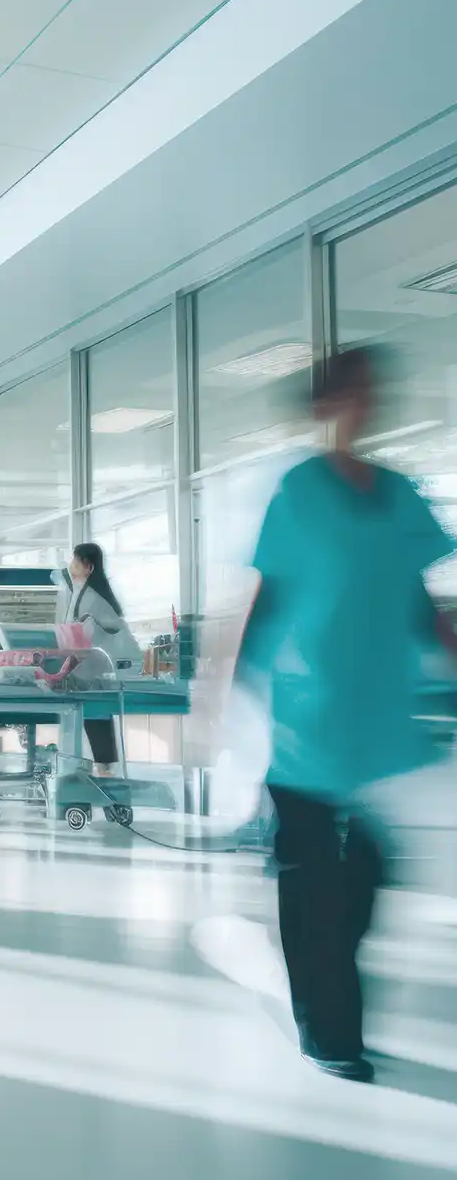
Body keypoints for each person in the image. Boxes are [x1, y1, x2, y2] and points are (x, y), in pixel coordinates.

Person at [235, 346, 456, 1082]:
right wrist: (229, 698)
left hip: (375, 721)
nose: (369, 402)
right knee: (316, 882)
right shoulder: (297, 491)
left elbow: (421, 600)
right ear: (325, 404)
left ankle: (324, 1006)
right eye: (355, 391)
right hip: (302, 720)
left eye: (374, 391)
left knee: (366, 873)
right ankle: (328, 1033)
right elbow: (264, 597)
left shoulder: (398, 493)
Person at [54, 543, 142, 773]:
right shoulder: (84, 594)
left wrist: (62, 668)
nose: (71, 566)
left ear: (89, 567)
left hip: (104, 669)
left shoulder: (92, 600)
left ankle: (102, 769)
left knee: (93, 712)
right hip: (100, 669)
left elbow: (82, 641)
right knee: (95, 714)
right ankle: (103, 768)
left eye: (76, 562)